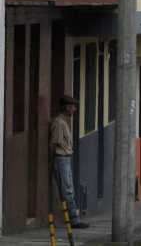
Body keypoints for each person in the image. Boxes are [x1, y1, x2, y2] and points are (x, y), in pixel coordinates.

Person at [50, 96, 90, 229]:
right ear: (67, 107)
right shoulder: (59, 123)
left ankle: (71, 218)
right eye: (73, 107)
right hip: (61, 158)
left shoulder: (63, 122)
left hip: (65, 158)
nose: (75, 110)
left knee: (68, 189)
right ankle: (74, 220)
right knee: (68, 190)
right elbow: (54, 143)